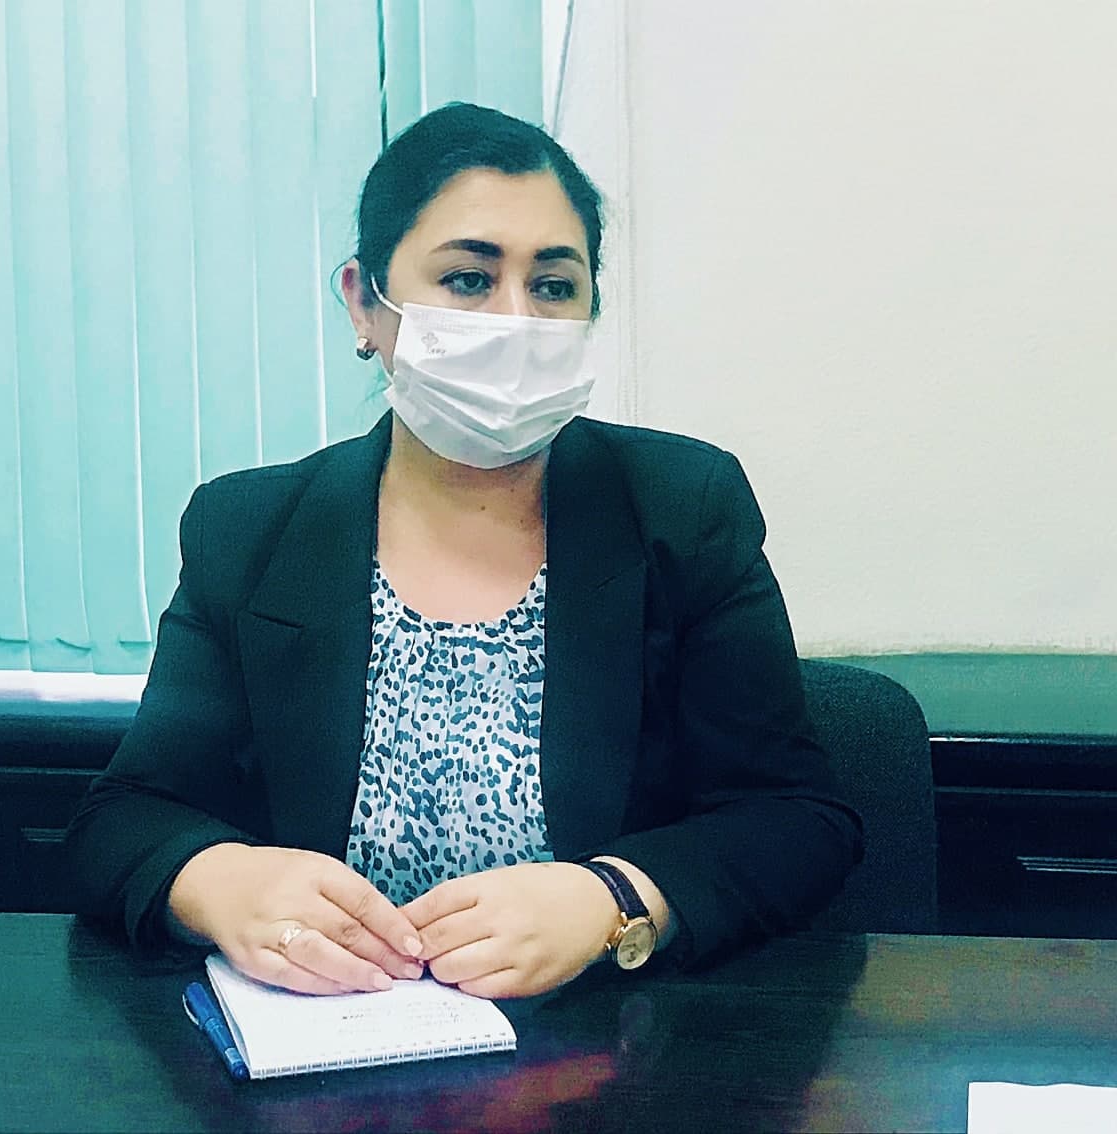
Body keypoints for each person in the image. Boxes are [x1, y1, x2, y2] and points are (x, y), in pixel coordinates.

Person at [66, 102, 862, 1000]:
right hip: (330, 1042)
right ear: (364, 303)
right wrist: (221, 885)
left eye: (553, 286)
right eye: (469, 279)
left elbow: (796, 821)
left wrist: (614, 899)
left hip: (607, 1043)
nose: (515, 320)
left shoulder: (682, 506)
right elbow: (122, 820)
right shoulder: (248, 530)